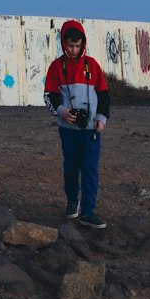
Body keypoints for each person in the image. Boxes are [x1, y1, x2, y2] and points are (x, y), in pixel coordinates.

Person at [44, 19, 110, 228]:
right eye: (70, 45)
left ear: (83, 43)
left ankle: (88, 212)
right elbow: (49, 96)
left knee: (90, 170)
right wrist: (62, 111)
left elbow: (104, 95)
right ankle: (72, 202)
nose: (73, 50)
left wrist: (101, 118)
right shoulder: (56, 67)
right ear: (64, 43)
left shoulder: (93, 66)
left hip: (91, 129)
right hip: (68, 131)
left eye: (77, 45)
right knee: (71, 167)